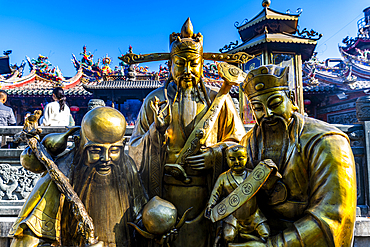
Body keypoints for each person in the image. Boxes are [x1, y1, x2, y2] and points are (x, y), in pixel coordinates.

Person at [129, 18, 246, 247]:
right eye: (180, 64)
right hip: (164, 195)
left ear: (202, 63)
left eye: (193, 63)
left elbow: (240, 144)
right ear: (170, 65)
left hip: (207, 192)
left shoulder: (219, 100)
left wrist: (215, 155)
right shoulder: (155, 100)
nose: (187, 70)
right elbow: (133, 149)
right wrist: (155, 131)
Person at [236, 65, 356, 246]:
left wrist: (273, 245)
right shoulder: (247, 144)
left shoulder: (326, 140)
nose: (267, 114)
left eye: (274, 104)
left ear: (291, 99)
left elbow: (333, 216)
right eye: (258, 108)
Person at [9, 107, 147, 246]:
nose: (106, 158)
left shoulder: (127, 167)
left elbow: (139, 214)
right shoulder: (62, 173)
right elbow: (26, 241)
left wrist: (154, 223)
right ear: (78, 144)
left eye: (114, 150)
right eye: (95, 150)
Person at [206, 144, 269, 245]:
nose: (237, 162)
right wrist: (210, 206)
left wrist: (272, 172)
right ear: (226, 159)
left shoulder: (253, 176)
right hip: (233, 218)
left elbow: (267, 187)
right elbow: (215, 194)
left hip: (254, 216)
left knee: (265, 234)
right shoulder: (223, 178)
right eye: (232, 159)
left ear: (247, 158)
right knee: (228, 238)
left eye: (240, 158)